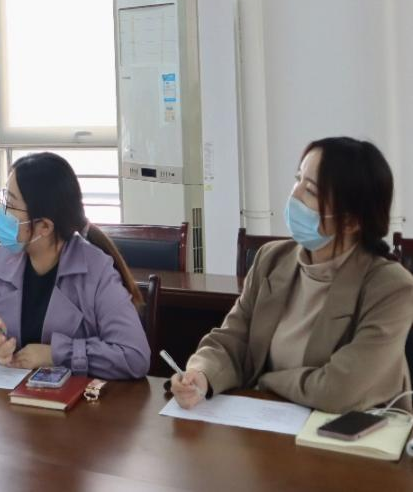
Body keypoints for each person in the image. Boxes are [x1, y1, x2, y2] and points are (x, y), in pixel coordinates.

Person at [172, 137, 413, 413]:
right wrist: (202, 374)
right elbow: (233, 340)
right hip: (272, 422)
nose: (294, 195)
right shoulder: (271, 259)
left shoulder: (391, 287)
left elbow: (340, 389)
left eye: (310, 190)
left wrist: (266, 382)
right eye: (298, 179)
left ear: (350, 221)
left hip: (352, 431)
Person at [0, 152, 150, 380]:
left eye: (10, 204)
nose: (2, 211)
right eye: (4, 199)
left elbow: (134, 356)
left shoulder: (96, 269)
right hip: (7, 396)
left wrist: (56, 354)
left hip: (72, 400)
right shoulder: (2, 257)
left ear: (44, 226)